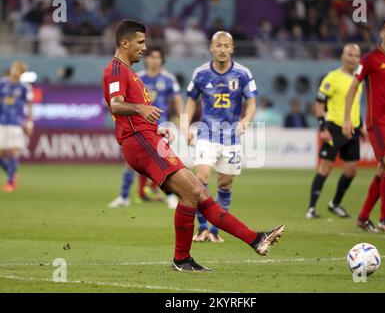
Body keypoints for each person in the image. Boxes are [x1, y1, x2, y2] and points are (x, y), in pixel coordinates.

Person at [102, 19, 284, 272]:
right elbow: (116, 105)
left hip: (148, 138)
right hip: (140, 143)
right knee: (194, 192)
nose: (144, 47)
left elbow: (128, 111)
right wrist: (142, 109)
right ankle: (185, 257)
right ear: (125, 43)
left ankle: (253, 240)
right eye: (140, 42)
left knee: (197, 192)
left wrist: (156, 129)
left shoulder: (129, 72)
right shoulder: (116, 70)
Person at [185, 31, 257, 243]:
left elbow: (252, 102)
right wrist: (186, 126)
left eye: (227, 46)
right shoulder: (201, 73)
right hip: (206, 133)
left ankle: (216, 230)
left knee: (225, 184)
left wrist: (246, 120)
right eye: (219, 45)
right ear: (211, 48)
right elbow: (191, 100)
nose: (223, 49)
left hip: (232, 136)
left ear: (232, 48)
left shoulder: (243, 73)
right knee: (201, 179)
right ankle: (202, 227)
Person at [343, 19, 385, 234]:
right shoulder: (369, 59)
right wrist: (347, 119)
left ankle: (362, 217)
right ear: (382, 33)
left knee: (383, 168)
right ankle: (384, 219)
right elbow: (353, 88)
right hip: (377, 122)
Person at [108, 46, 183, 209]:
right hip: (141, 125)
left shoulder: (169, 79)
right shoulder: (137, 77)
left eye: (158, 57)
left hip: (162, 125)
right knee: (132, 164)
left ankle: (171, 196)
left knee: (163, 163)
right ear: (147, 59)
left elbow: (177, 100)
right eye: (152, 56)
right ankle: (124, 196)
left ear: (162, 60)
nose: (154, 60)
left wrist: (182, 120)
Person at [306, 44, 366, 219]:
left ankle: (335, 203)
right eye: (349, 55)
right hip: (334, 128)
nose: (353, 59)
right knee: (325, 168)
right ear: (342, 55)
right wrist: (322, 127)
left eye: (356, 56)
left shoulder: (359, 79)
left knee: (351, 171)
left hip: (352, 129)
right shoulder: (332, 77)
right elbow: (319, 102)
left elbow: (355, 105)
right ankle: (311, 208)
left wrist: (361, 125)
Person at [0, 61, 34, 192]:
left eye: (18, 70)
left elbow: (30, 106)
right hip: (1, 122)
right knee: (1, 153)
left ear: (21, 73)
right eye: (14, 68)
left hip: (15, 123)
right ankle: (12, 173)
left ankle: (10, 182)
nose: (15, 71)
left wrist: (30, 123)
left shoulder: (25, 88)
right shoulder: (2, 83)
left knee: (13, 151)